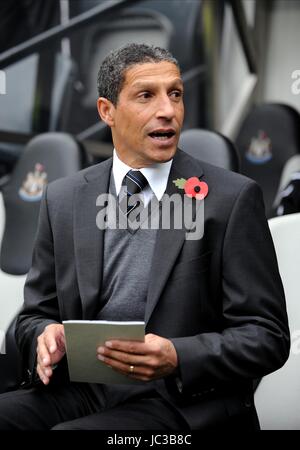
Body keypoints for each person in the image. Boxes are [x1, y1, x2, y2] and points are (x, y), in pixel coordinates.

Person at [0, 43, 289, 430]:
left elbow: (267, 336)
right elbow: (33, 315)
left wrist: (177, 355)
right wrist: (43, 336)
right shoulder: (65, 198)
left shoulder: (231, 198)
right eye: (146, 96)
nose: (168, 110)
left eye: (175, 94)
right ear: (107, 111)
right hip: (83, 388)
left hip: (179, 400)